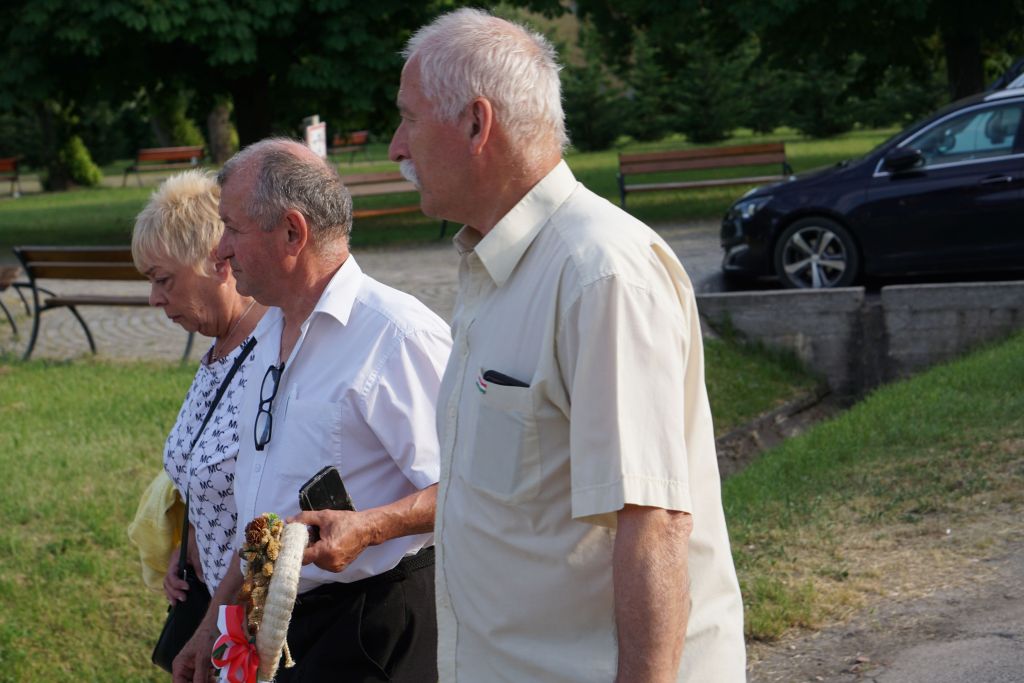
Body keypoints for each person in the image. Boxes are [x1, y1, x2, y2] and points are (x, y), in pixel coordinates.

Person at [386, 8, 746, 682]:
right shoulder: (498, 266)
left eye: (408, 118)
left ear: (476, 124)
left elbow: (655, 522)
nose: (395, 147)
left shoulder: (599, 274)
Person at [173, 138, 451, 683]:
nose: (220, 252)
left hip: (377, 627)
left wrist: (370, 528)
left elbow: (476, 487)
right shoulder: (267, 329)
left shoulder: (396, 336)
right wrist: (214, 620)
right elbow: (264, 505)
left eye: (231, 229)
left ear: (292, 233)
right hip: (286, 621)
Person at [131, 169, 267, 606]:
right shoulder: (218, 348)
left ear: (218, 261)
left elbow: (271, 507)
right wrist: (189, 541)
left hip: (253, 607)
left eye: (163, 279)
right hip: (206, 592)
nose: (154, 298)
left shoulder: (273, 354)